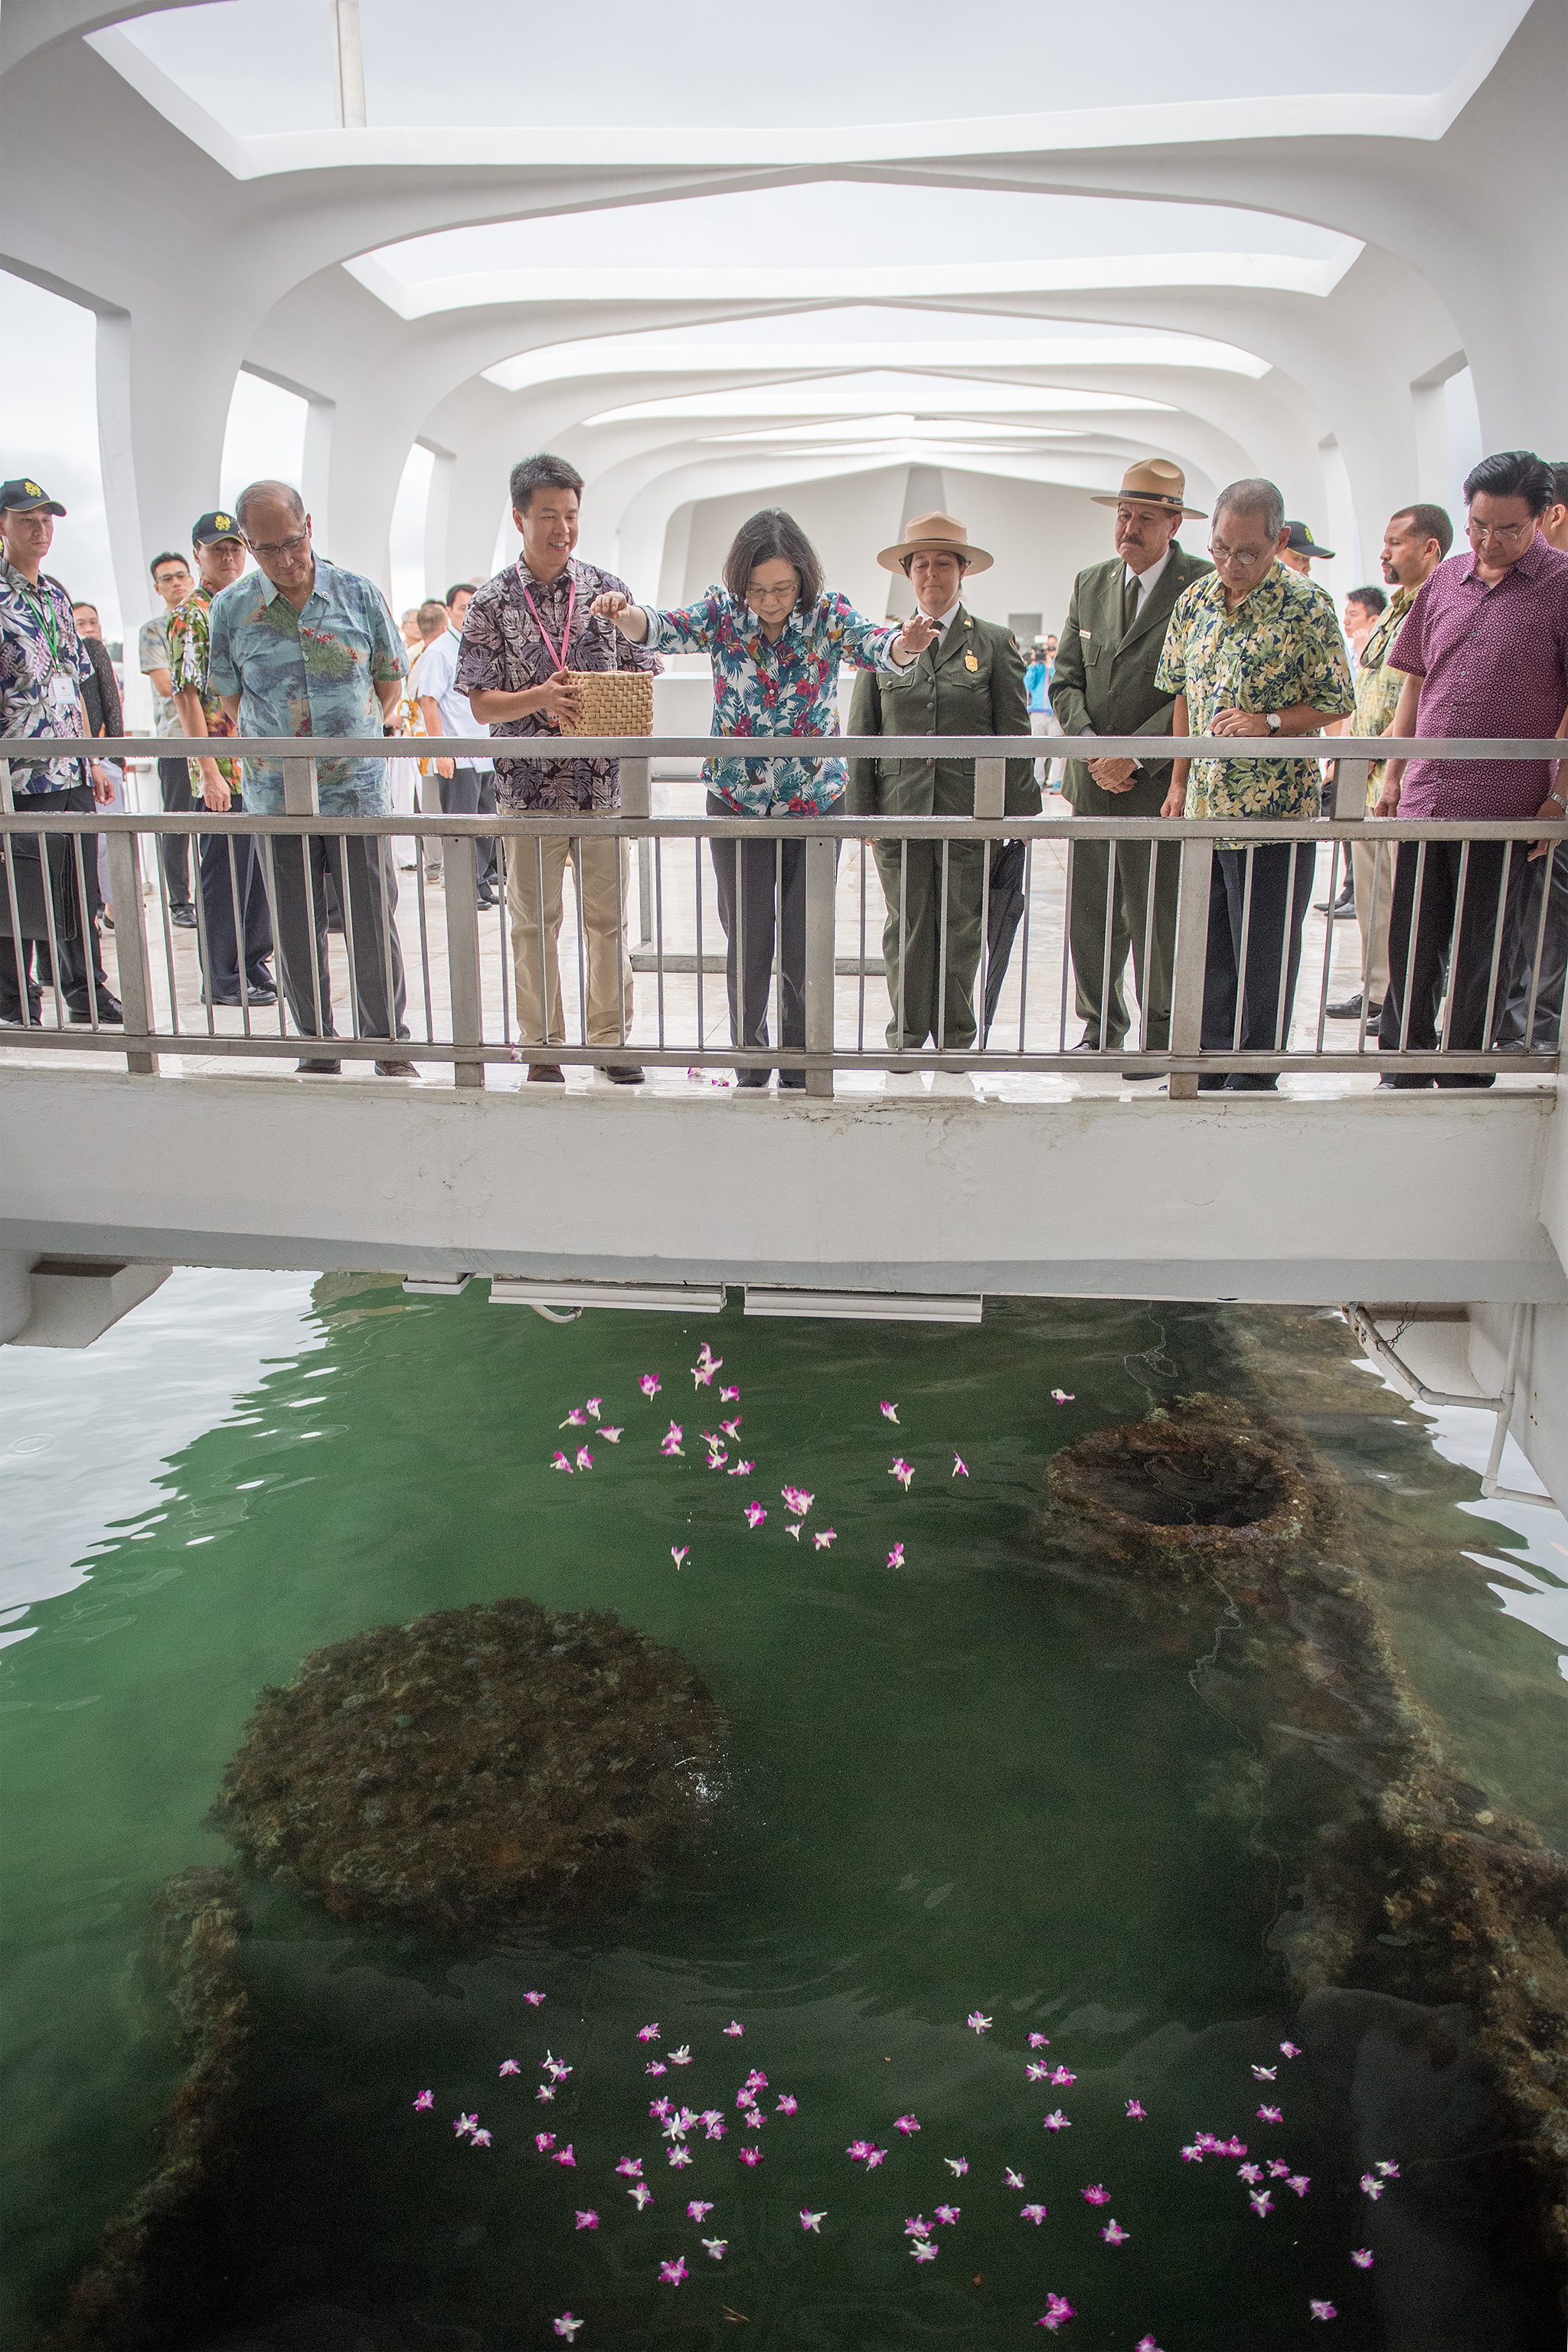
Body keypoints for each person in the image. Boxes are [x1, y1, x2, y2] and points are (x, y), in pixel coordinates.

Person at [594, 509, 936, 1088]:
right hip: (736, 802)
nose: (770, 601)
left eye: (782, 588)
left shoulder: (828, 616)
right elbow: (661, 628)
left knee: (806, 937)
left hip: (814, 803)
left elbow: (878, 647)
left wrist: (907, 642)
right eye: (757, 589)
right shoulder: (724, 615)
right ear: (739, 583)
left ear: (803, 578)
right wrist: (624, 614)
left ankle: (802, 1061)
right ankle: (750, 1060)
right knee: (749, 935)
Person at [457, 453, 659, 1085]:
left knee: (608, 923)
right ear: (519, 518)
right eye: (548, 516)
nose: (562, 529)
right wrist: (541, 698)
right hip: (527, 792)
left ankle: (611, 1040)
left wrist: (618, 663)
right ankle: (542, 1044)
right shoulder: (490, 603)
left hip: (600, 787)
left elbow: (647, 666)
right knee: (532, 924)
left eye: (571, 516)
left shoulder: (605, 590)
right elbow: (482, 701)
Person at [205, 479, 416, 1077]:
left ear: (310, 527)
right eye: (268, 550)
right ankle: (317, 1045)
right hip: (279, 796)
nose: (285, 560)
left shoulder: (357, 595)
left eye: (293, 543)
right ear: (249, 545)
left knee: (371, 918)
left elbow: (388, 677)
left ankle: (387, 1045)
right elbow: (228, 697)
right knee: (294, 927)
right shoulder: (232, 610)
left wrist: (357, 737)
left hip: (357, 791)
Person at [1374, 450, 1568, 1086]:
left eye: (1508, 529)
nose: (1489, 540)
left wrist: (1558, 799)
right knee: (1412, 937)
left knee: (1484, 947)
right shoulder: (1446, 578)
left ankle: (1463, 1070)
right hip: (1427, 794)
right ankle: (1402, 1061)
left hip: (1505, 805)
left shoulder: (1561, 586)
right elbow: (1415, 682)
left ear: (1542, 518)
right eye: (1480, 524)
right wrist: (1396, 774)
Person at [1158, 476, 1354, 1089]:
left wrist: (1267, 723)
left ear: (1280, 540)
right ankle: (1209, 1062)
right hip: (1207, 810)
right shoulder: (1195, 601)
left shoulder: (1307, 606)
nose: (1231, 564)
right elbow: (1183, 696)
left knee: (1263, 949)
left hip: (1275, 812)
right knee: (1209, 942)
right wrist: (1178, 782)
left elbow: (1336, 699)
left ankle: (1256, 1065)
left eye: (1247, 552)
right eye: (1220, 548)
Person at [845, 511, 1035, 1062]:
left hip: (969, 808)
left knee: (961, 922)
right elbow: (864, 730)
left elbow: (1014, 733)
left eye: (944, 563)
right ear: (908, 573)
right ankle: (905, 1035)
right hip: (898, 808)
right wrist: (862, 813)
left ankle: (954, 1037)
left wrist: (1018, 817)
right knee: (907, 921)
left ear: (963, 571)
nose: (933, 574)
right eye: (922, 563)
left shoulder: (995, 643)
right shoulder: (880, 644)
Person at [1050, 459, 1214, 1071]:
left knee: (1155, 911)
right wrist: (1093, 747)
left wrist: (1136, 752)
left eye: (1146, 517)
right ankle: (1099, 1024)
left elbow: (1192, 689)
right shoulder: (1090, 583)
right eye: (1123, 514)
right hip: (1092, 781)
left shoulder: (1198, 586)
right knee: (1091, 911)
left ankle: (1161, 1029)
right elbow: (1066, 680)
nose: (1130, 527)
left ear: (1175, 523)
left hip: (1157, 783)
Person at [1323, 505, 1451, 1027]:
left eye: (1396, 543)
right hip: (1368, 772)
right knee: (1374, 894)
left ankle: (1405, 998)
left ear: (1430, 549)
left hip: (1400, 775)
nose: (1384, 553)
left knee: (1404, 900)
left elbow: (1423, 695)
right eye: (1384, 541)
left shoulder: (1440, 605)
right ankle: (1378, 991)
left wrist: (1382, 753)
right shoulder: (1397, 608)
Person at [0, 479, 119, 1026]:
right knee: (18, 890)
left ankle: (85, 990)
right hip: (17, 775)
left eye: (46, 519)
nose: (39, 529)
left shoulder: (56, 595)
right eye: (26, 518)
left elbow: (77, 684)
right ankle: (14, 996)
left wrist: (92, 758)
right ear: (3, 524)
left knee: (79, 888)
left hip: (69, 766)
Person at [167, 510, 276, 1008]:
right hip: (220, 768)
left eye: (235, 547)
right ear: (198, 554)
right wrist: (208, 770)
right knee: (222, 877)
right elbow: (187, 697)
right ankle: (222, 977)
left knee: (256, 876)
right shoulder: (192, 615)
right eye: (217, 549)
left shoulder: (247, 604)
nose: (228, 556)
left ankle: (251, 962)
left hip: (256, 768)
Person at [418, 585, 498, 907]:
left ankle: (478, 882)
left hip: (484, 751)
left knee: (485, 821)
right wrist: (442, 750)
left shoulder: (478, 647)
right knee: (461, 824)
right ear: (449, 611)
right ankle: (462, 888)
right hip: (459, 754)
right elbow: (428, 702)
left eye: (473, 607)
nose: (468, 614)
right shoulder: (439, 651)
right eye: (463, 608)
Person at [140, 550, 198, 926]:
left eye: (181, 575)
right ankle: (180, 902)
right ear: (158, 587)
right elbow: (167, 685)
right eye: (167, 578)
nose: (177, 583)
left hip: (218, 739)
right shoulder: (154, 629)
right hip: (178, 741)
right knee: (178, 822)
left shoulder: (207, 619)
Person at [70, 601, 126, 927]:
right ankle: (93, 909)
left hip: (102, 760)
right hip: (77, 763)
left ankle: (114, 907)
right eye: (81, 623)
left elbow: (111, 704)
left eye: (94, 621)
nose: (89, 629)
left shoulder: (93, 650)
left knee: (109, 841)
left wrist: (114, 756)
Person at [1342, 586, 1387, 664]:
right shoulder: (1352, 647)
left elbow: (1364, 675)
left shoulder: (1384, 650)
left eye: (1353, 615)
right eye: (1346, 614)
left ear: (1374, 620)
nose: (1346, 621)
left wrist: (1361, 650)